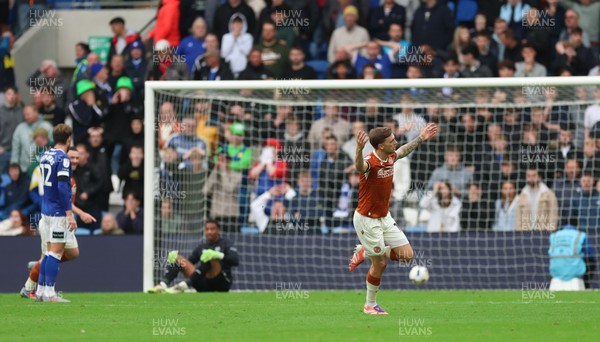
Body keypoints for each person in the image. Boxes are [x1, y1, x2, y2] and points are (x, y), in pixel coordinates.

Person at [348, 123, 438, 314]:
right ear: (380, 146)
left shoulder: (390, 156)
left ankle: (365, 252)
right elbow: (359, 166)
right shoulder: (369, 162)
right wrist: (358, 149)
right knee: (380, 263)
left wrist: (421, 137)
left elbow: (403, 150)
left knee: (407, 255)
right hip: (367, 219)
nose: (395, 142)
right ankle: (370, 305)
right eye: (391, 141)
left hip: (384, 217)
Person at [20, 146, 96, 299]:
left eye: (77, 157)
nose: (74, 160)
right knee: (51, 255)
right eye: (71, 157)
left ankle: (39, 267)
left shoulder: (70, 176)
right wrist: (77, 214)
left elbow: (67, 201)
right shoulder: (61, 174)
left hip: (59, 218)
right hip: (55, 218)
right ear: (65, 158)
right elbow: (61, 198)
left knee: (73, 253)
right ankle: (30, 289)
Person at [33, 124, 77, 302]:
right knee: (55, 253)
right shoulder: (63, 159)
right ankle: (50, 293)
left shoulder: (45, 155)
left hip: (46, 211)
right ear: (69, 139)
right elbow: (61, 186)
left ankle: (40, 291)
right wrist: (69, 213)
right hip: (58, 212)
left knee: (49, 251)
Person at [149, 219, 240, 293]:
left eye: (212, 229)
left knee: (210, 258)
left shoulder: (226, 243)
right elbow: (189, 263)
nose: (209, 232)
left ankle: (182, 286)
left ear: (218, 230)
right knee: (179, 260)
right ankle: (163, 285)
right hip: (204, 284)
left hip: (221, 283)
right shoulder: (202, 246)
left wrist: (219, 255)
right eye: (207, 229)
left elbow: (235, 260)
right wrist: (175, 260)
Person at [548, 221, 596, 291]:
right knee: (592, 262)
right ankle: (587, 286)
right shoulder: (581, 235)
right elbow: (591, 255)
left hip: (556, 274)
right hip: (574, 275)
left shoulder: (553, 236)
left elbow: (550, 253)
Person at [515, 167, 559, 231]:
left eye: (534, 175)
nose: (531, 178)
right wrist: (519, 231)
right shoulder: (522, 195)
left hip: (543, 232)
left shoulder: (549, 194)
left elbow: (553, 214)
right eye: (529, 176)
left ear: (539, 177)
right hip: (525, 233)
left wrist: (550, 230)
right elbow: (518, 217)